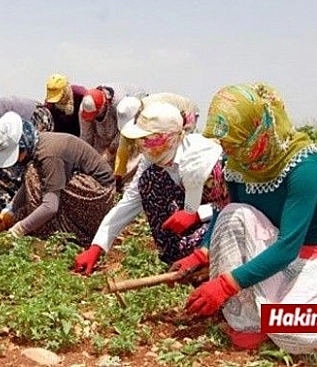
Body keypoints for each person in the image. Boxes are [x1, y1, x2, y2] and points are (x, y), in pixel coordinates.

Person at [175, 83, 317, 354]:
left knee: (297, 334)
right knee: (232, 213)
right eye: (225, 145)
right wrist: (202, 253)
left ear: (256, 132)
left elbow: (289, 245)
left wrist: (226, 284)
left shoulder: (305, 166)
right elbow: (226, 216)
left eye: (234, 143)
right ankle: (246, 319)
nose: (228, 152)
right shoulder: (240, 165)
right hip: (278, 251)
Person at [73, 99, 228, 274]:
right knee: (148, 182)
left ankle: (208, 258)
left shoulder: (206, 158)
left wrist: (197, 215)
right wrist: (97, 246)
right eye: (140, 140)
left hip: (220, 220)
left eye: (148, 140)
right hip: (191, 215)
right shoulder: (152, 160)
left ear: (168, 138)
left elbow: (236, 205)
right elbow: (130, 201)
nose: (141, 147)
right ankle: (175, 255)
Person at [0, 112, 116, 245]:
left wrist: (19, 230)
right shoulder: (39, 144)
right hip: (90, 191)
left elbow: (50, 206)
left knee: (33, 175)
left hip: (99, 197)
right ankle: (51, 227)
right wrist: (8, 212)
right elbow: (26, 187)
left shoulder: (48, 155)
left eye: (17, 154)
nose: (16, 160)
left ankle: (67, 233)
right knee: (33, 176)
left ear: (24, 144)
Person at [113, 93, 200, 191]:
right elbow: (123, 149)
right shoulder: (139, 115)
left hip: (187, 115)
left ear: (138, 114)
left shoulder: (154, 112)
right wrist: (118, 176)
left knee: (168, 152)